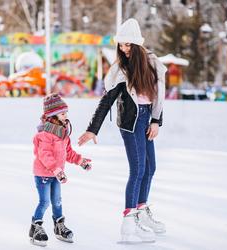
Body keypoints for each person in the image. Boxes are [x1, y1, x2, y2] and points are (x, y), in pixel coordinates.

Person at [78, 18, 167, 243]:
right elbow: (107, 100)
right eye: (121, 45)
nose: (124, 49)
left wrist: (156, 121)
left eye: (128, 45)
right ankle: (128, 224)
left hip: (147, 119)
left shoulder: (152, 64)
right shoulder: (120, 70)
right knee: (137, 169)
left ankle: (141, 210)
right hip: (130, 123)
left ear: (137, 45)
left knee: (150, 168)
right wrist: (92, 129)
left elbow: (159, 97)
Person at [29, 93, 92, 247]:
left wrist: (80, 161)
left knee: (57, 201)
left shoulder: (63, 134)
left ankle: (59, 227)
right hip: (43, 174)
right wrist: (56, 170)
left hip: (57, 174)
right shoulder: (45, 134)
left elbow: (68, 153)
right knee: (44, 202)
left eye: (66, 113)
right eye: (63, 113)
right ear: (53, 115)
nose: (66, 116)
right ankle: (35, 228)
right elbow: (44, 155)